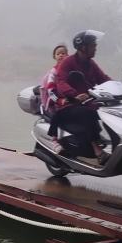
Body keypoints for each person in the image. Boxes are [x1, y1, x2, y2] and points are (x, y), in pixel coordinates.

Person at [47, 30, 111, 163]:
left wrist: (117, 86)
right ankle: (97, 150)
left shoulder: (90, 63)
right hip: (68, 105)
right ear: (83, 47)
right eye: (93, 45)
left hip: (87, 102)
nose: (96, 48)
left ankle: (102, 139)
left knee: (107, 111)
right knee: (87, 113)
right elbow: (61, 82)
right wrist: (74, 95)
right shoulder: (68, 63)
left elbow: (103, 78)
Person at [40, 43, 68, 115]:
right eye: (58, 54)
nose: (61, 55)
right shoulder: (53, 72)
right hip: (57, 102)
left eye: (63, 53)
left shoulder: (70, 69)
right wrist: (59, 101)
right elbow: (50, 91)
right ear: (54, 57)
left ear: (67, 55)